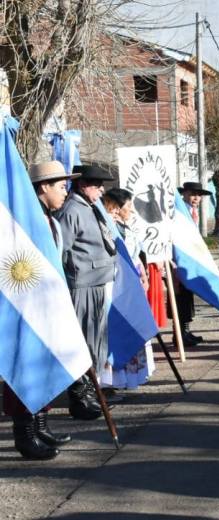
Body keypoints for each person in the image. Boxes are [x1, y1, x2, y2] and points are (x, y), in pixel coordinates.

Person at [2, 161, 79, 460]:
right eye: (61, 186)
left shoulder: (51, 220)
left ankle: (40, 425)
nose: (65, 191)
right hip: (27, 306)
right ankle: (24, 434)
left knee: (45, 365)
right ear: (43, 187)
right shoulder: (22, 222)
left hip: (49, 305)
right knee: (26, 369)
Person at [56, 164, 117, 421]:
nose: (102, 190)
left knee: (96, 342)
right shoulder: (71, 210)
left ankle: (92, 391)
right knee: (83, 341)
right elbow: (60, 250)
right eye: (97, 185)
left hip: (98, 282)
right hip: (81, 285)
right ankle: (80, 397)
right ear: (82, 185)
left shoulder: (90, 207)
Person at [100, 188, 155, 394]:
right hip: (117, 287)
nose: (131, 210)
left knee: (134, 326)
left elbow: (136, 254)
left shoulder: (126, 228)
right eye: (127, 206)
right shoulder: (108, 228)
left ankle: (131, 377)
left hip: (132, 286)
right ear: (113, 207)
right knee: (118, 332)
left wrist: (143, 274)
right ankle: (112, 381)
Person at [171, 182, 213, 347]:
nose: (196, 198)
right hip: (180, 259)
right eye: (193, 194)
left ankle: (186, 331)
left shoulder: (193, 212)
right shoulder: (179, 211)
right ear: (184, 194)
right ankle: (179, 334)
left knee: (188, 298)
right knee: (181, 298)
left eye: (199, 195)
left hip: (191, 260)